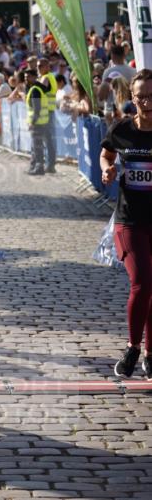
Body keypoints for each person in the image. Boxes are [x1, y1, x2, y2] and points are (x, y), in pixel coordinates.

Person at [100, 69, 152, 380]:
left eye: (151, 96)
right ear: (132, 97)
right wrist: (107, 169)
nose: (146, 102)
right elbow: (106, 155)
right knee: (142, 282)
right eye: (140, 96)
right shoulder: (122, 128)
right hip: (129, 220)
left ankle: (151, 355)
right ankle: (133, 347)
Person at [25, 68, 48, 176]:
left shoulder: (35, 90)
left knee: (37, 146)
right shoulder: (36, 88)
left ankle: (39, 168)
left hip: (37, 123)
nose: (26, 79)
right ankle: (34, 166)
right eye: (25, 77)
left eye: (28, 77)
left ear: (35, 77)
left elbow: (37, 108)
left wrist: (32, 122)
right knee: (35, 146)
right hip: (41, 122)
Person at [37, 55, 58, 173]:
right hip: (48, 111)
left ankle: (50, 165)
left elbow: (40, 92)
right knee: (48, 139)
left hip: (47, 112)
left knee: (48, 139)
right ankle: (50, 164)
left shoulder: (46, 77)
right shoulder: (49, 76)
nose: (38, 68)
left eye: (40, 66)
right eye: (38, 66)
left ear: (47, 67)